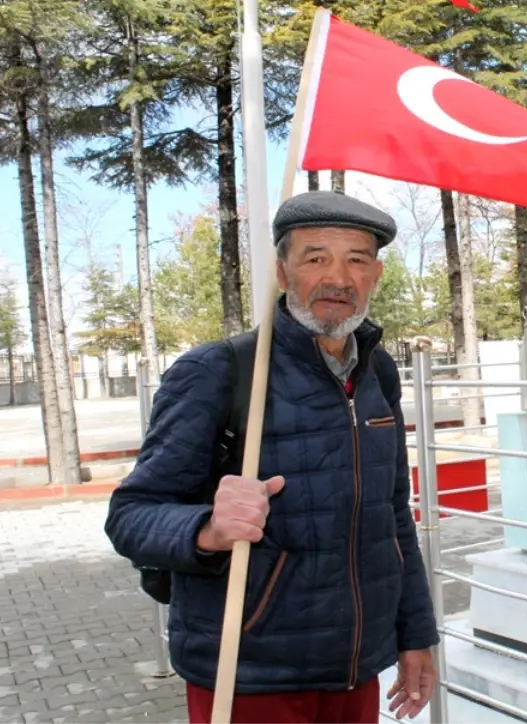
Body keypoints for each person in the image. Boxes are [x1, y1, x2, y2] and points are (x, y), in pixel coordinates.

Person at [104, 190, 440, 724]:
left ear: (375, 275)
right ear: (283, 273)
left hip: (356, 670)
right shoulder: (219, 372)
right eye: (315, 258)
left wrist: (415, 635)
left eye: (356, 260)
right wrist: (208, 529)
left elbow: (393, 517)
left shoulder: (378, 374)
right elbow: (130, 515)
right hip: (250, 675)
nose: (338, 278)